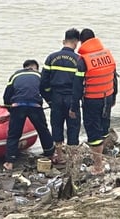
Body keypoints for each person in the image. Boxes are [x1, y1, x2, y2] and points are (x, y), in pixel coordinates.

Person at [71, 28, 117, 175]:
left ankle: (98, 166)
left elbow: (77, 86)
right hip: (107, 97)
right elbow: (114, 77)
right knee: (103, 129)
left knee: (93, 133)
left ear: (82, 42)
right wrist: (113, 97)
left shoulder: (83, 60)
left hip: (92, 100)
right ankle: (102, 160)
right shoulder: (107, 55)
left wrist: (74, 107)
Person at [2, 59, 55, 171]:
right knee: (43, 130)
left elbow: (7, 95)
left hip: (18, 106)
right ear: (34, 67)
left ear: (25, 67)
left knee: (14, 134)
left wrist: (8, 108)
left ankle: (9, 162)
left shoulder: (15, 75)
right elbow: (46, 91)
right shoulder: (39, 75)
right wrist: (51, 104)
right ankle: (50, 155)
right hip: (35, 106)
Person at [40, 28, 82, 164]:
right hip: (72, 98)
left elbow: (43, 83)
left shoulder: (51, 58)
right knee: (73, 127)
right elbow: (81, 83)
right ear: (76, 43)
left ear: (64, 41)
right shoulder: (79, 60)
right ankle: (72, 157)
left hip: (56, 97)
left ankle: (59, 156)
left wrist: (50, 99)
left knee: (56, 125)